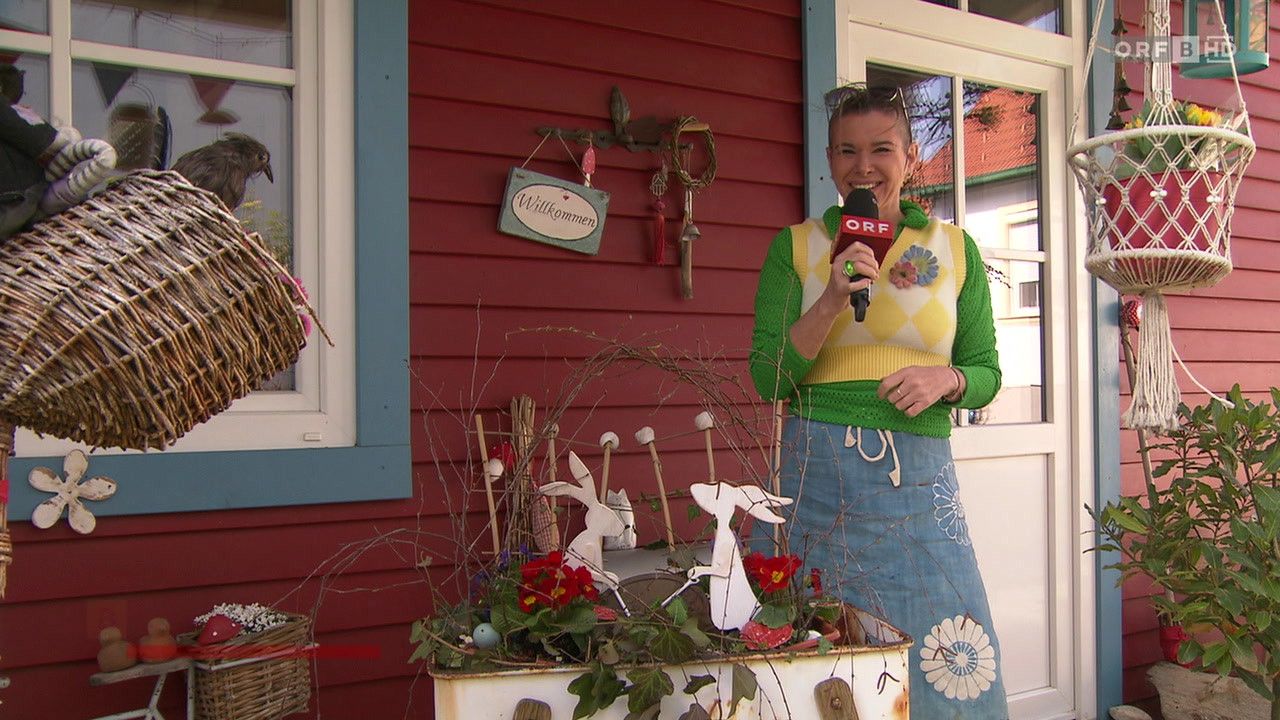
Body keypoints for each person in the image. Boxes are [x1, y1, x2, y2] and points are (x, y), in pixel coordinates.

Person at [749, 83, 1008, 718]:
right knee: (813, 649)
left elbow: (986, 371)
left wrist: (947, 382)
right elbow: (768, 378)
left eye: (881, 149)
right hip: (817, 483)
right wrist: (831, 299)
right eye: (847, 151)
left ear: (911, 156)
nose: (863, 166)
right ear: (829, 161)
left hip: (918, 487)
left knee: (949, 642)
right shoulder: (796, 247)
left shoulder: (954, 250)